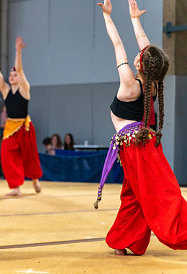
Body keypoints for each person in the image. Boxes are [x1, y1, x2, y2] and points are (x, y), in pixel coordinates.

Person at [96, 0, 187, 256]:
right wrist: (135, 20)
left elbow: (118, 45)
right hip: (141, 144)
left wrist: (107, 17)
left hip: (135, 149)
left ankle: (171, 232)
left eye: (141, 56)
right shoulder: (154, 82)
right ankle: (127, 241)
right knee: (134, 194)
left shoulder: (130, 82)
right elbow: (149, 52)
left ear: (140, 65)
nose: (140, 53)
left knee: (152, 194)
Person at [0, 36, 42, 196]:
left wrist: (18, 51)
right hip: (10, 127)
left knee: (29, 156)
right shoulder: (6, 90)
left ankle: (35, 178)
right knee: (6, 155)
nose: (12, 77)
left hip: (25, 127)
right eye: (10, 75)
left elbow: (20, 69)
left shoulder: (25, 89)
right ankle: (16, 186)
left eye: (14, 75)